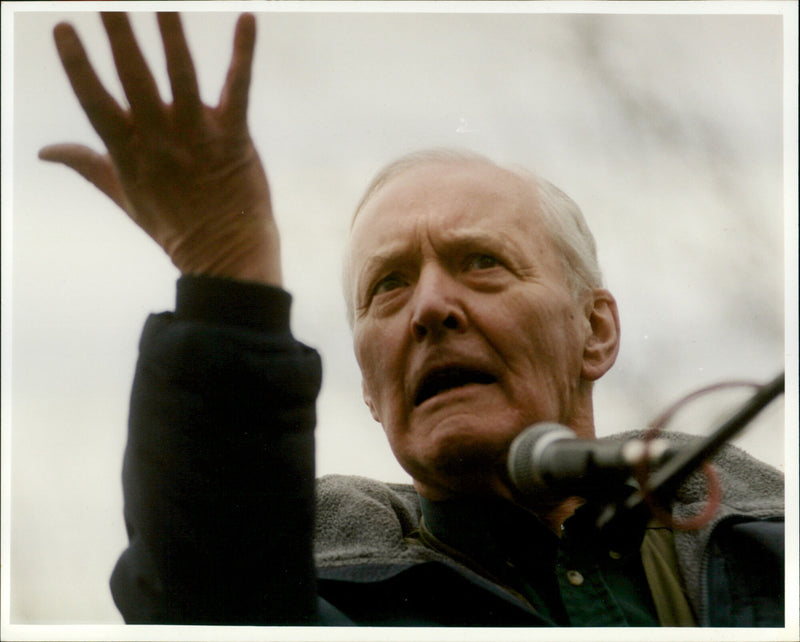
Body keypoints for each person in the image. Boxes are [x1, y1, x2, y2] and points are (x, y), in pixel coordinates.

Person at [40, 12, 784, 627]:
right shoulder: (319, 593)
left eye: (482, 262)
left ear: (596, 332)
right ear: (370, 387)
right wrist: (225, 269)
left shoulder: (765, 543)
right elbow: (209, 590)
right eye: (388, 287)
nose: (429, 308)